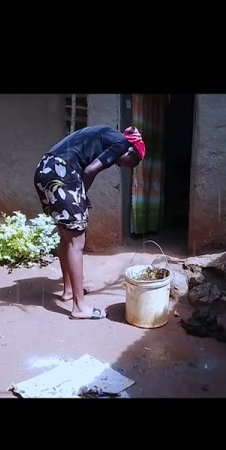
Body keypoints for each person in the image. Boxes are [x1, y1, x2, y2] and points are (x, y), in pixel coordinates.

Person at [34, 125, 145, 319]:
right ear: (132, 153)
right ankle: (79, 308)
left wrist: (80, 195)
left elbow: (86, 169)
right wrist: (81, 195)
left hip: (45, 169)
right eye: (130, 164)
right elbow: (90, 170)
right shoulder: (123, 143)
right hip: (62, 172)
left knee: (66, 235)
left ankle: (69, 291)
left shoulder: (108, 136)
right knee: (77, 242)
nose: (123, 167)